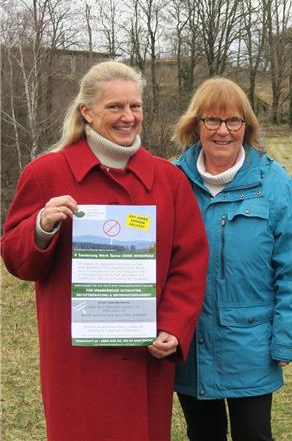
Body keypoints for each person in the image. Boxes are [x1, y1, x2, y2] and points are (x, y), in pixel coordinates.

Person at [1, 61, 208, 440]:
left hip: (145, 356)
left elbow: (189, 263)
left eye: (136, 106)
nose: (128, 117)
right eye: (115, 107)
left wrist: (174, 327)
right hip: (77, 362)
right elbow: (16, 259)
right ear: (87, 112)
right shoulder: (46, 173)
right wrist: (42, 226)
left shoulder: (169, 179)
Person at [172, 77, 292, 441]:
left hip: (251, 344)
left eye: (233, 121)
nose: (223, 131)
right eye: (212, 120)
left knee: (254, 435)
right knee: (202, 435)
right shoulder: (171, 179)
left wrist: (289, 336)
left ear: (246, 127)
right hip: (192, 344)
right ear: (195, 125)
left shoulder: (273, 183)